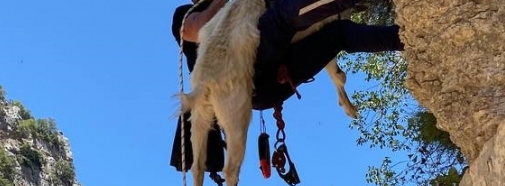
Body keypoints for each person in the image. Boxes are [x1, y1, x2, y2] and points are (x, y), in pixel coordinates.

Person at [171, 0, 404, 110]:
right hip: (247, 68)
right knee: (283, 17)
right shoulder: (185, 15)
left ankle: (407, 37)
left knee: (338, 36)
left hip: (262, 91)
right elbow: (199, 28)